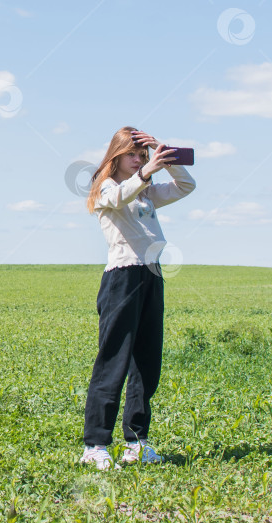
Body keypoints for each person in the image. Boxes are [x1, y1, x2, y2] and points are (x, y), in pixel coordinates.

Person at [79, 126, 196, 470]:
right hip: (121, 278)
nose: (139, 160)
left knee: (147, 362)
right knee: (113, 361)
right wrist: (146, 171)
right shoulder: (105, 187)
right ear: (116, 156)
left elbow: (185, 186)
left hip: (151, 274)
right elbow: (118, 198)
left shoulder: (144, 192)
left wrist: (164, 154)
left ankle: (137, 441)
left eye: (142, 155)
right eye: (132, 154)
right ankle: (95, 445)